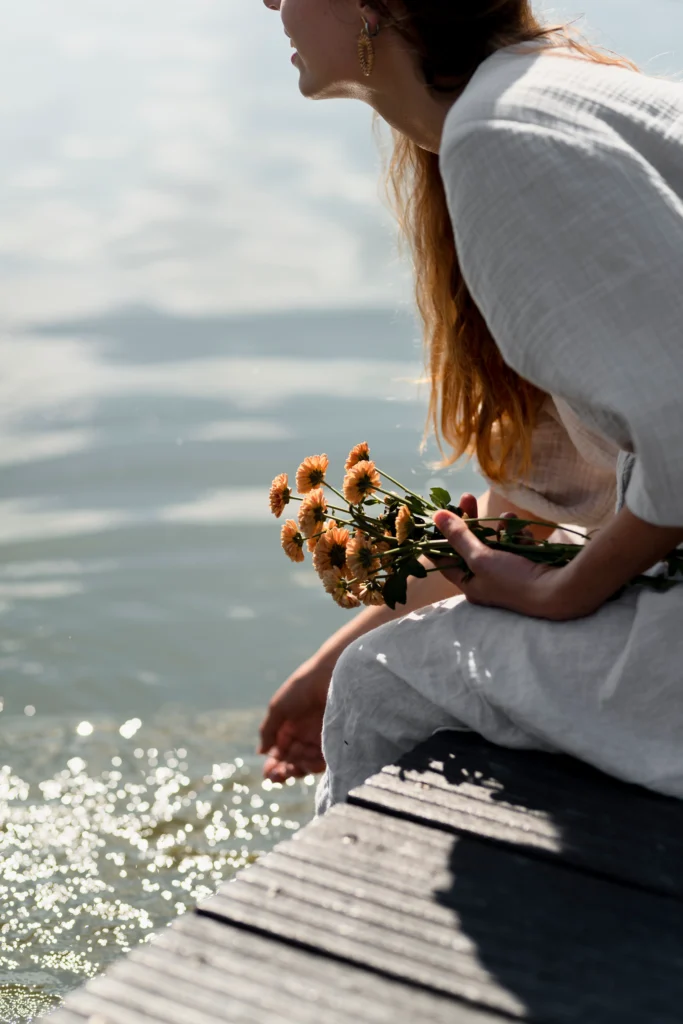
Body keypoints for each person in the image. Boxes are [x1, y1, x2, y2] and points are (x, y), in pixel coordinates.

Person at [257, 0, 683, 812]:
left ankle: (353, 929)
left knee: (384, 681)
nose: (269, 1)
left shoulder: (501, 139)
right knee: (370, 661)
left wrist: (566, 592)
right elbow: (529, 514)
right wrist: (334, 652)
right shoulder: (547, 100)